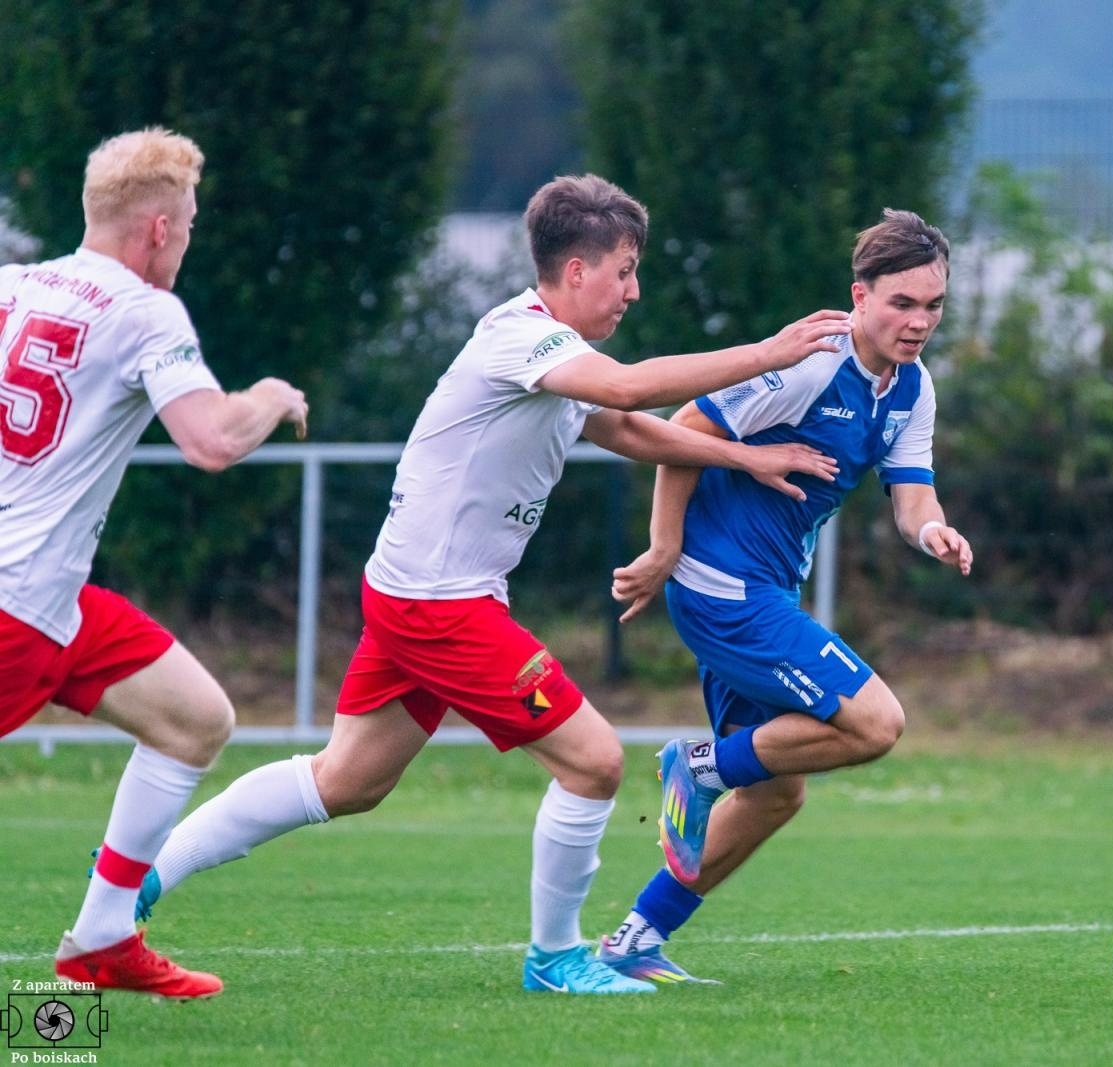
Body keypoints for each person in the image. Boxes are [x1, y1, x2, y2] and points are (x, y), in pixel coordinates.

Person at [135, 174, 848, 995]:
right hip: (440, 602)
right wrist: (767, 353)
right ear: (574, 271)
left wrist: (745, 456)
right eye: (623, 270)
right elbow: (625, 389)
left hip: (419, 591)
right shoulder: (522, 337)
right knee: (593, 761)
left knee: (348, 778)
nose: (634, 289)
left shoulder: (552, 353)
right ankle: (555, 958)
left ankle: (146, 872)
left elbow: (618, 423)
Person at [597, 209, 973, 985]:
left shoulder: (911, 389)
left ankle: (634, 941)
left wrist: (934, 531)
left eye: (933, 306)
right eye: (902, 303)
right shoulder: (813, 362)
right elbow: (684, 427)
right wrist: (665, 548)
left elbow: (912, 498)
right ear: (859, 296)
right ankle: (698, 766)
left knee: (774, 793)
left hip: (759, 590)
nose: (919, 322)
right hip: (722, 587)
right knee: (876, 722)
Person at [0, 127, 310, 999]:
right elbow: (212, 440)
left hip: (53, 598)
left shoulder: (13, 286)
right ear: (161, 231)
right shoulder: (145, 310)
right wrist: (269, 397)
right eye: (193, 225)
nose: (189, 240)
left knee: (195, 718)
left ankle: (101, 934)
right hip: (16, 605)